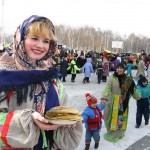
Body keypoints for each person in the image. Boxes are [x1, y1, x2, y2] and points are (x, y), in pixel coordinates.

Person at [0, 15, 83, 150]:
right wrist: (28, 120)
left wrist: (67, 121)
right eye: (34, 38)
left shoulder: (51, 76)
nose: (40, 45)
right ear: (20, 39)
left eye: (46, 41)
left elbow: (63, 107)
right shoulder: (4, 76)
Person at [101, 63, 141, 142]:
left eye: (121, 68)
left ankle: (117, 133)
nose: (119, 69)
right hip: (112, 101)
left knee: (120, 119)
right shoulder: (112, 78)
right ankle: (110, 132)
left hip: (123, 102)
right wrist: (105, 97)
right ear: (116, 69)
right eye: (118, 68)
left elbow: (133, 90)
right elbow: (107, 88)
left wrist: (137, 96)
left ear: (124, 69)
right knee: (107, 116)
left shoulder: (128, 79)